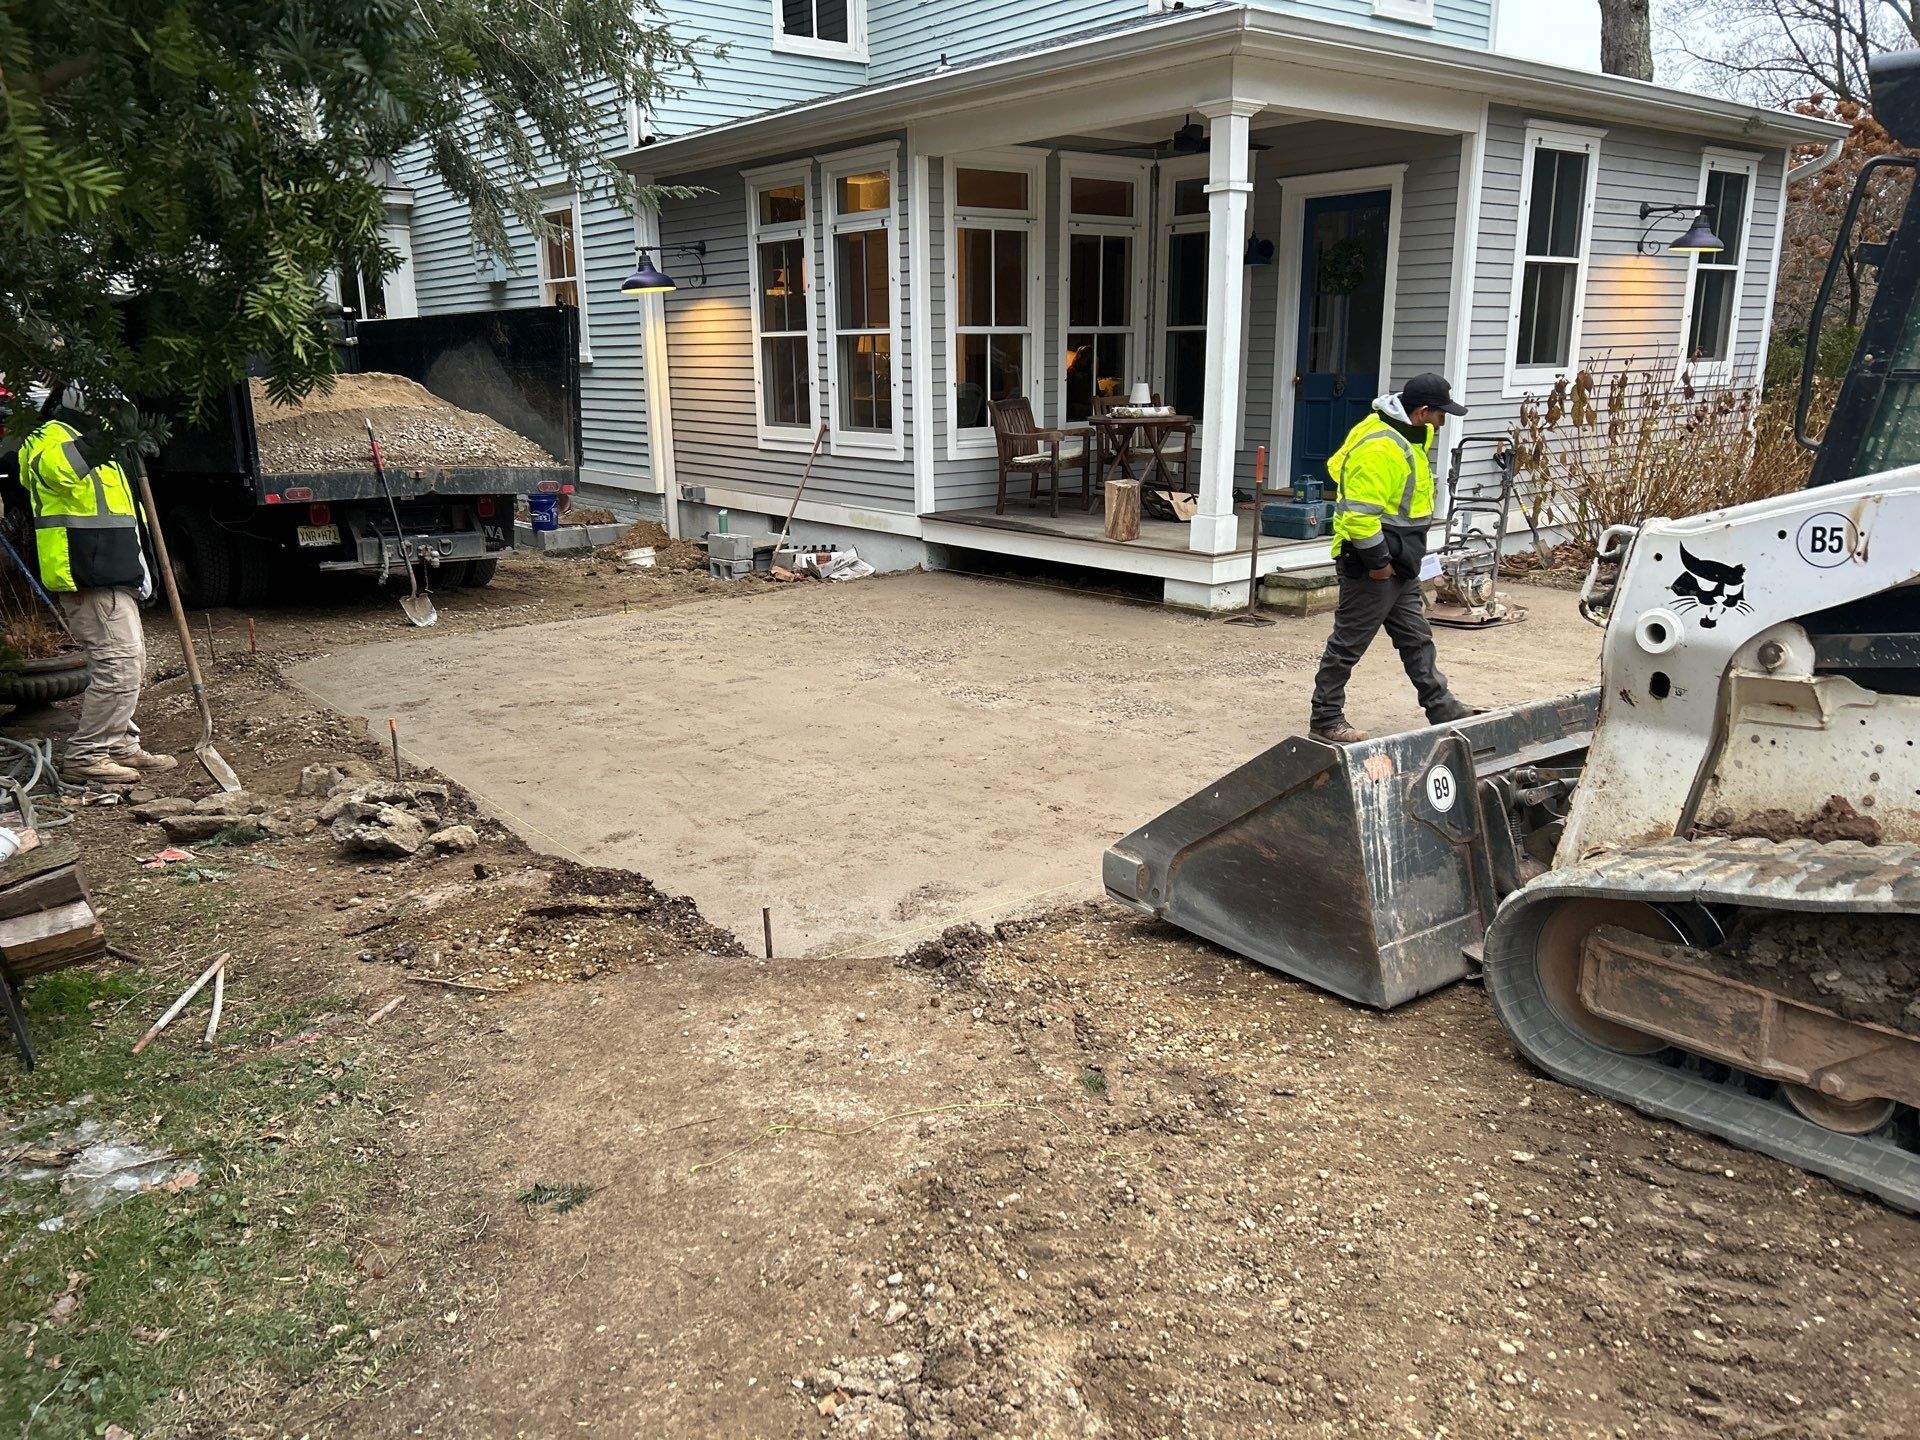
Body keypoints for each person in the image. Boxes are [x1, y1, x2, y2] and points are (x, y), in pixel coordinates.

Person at [1308, 372, 1477, 744]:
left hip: (1401, 559)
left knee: (1417, 638)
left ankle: (1443, 708)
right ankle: (1326, 718)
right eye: (1440, 414)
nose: (1442, 422)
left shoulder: (1409, 433)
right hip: (1372, 563)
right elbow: (1358, 517)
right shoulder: (1381, 448)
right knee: (1348, 643)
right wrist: (1379, 564)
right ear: (1422, 411)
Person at [16, 390, 175, 784]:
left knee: (132, 662)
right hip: (85, 571)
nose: (114, 413)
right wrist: (105, 438)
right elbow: (55, 473)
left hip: (114, 570)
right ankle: (88, 753)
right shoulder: (47, 436)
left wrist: (144, 570)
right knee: (118, 664)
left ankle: (118, 743)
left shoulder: (105, 445)